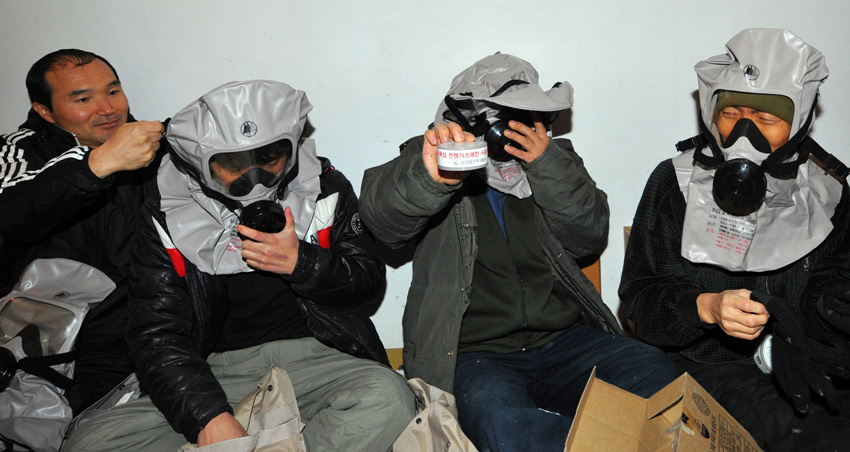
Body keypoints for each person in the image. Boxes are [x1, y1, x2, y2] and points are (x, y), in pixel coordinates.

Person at [62, 80, 414, 452]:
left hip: (318, 358)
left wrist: (302, 264)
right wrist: (208, 417)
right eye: (233, 165)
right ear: (199, 164)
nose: (256, 177)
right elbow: (155, 332)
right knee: (92, 442)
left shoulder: (323, 186)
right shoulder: (167, 210)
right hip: (212, 370)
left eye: (270, 159)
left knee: (388, 398)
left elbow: (369, 280)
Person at [360, 53, 679, 452]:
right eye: (511, 120)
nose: (525, 130)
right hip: (476, 354)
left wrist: (547, 165)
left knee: (658, 374)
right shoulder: (429, 162)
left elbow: (589, 236)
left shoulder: (553, 162)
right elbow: (383, 222)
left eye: (531, 119)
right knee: (505, 426)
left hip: (564, 339)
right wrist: (433, 180)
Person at [619, 28, 850, 452]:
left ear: (801, 119)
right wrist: (704, 307)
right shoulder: (675, 183)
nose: (745, 134)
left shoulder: (826, 190)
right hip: (708, 366)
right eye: (731, 114)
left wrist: (826, 310)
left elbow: (834, 281)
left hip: (804, 360)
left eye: (766, 120)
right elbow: (639, 299)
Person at [0, 49, 163, 414]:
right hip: (41, 344)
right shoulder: (17, 150)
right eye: (83, 99)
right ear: (45, 111)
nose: (106, 108)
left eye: (113, 91)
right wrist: (97, 165)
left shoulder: (156, 150)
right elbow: (11, 212)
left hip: (138, 338)